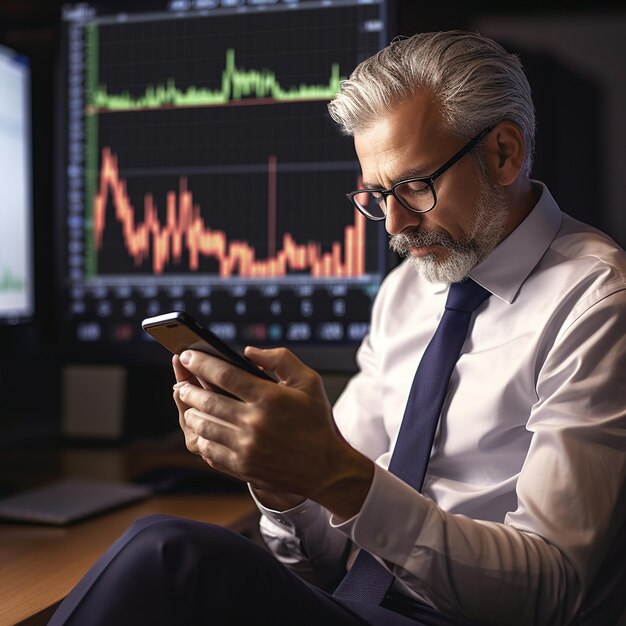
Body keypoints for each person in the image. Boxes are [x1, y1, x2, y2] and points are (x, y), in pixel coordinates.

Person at [49, 31, 626, 626]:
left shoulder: (598, 304)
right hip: (356, 608)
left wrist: (334, 473)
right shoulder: (407, 291)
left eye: (414, 186)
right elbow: (318, 563)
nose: (394, 225)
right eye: (377, 196)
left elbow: (552, 592)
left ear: (504, 153)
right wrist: (282, 479)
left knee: (167, 555)